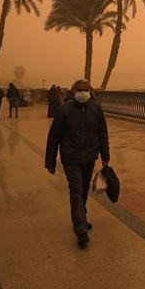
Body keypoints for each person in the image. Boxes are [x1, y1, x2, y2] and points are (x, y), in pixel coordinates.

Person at [45, 79, 110, 248]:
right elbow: (53, 138)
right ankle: (81, 230)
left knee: (83, 191)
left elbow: (102, 133)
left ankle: (82, 217)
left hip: (90, 156)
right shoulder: (64, 110)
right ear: (73, 91)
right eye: (79, 89)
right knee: (75, 190)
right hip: (71, 158)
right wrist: (50, 162)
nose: (83, 92)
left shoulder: (96, 109)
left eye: (85, 89)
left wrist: (105, 155)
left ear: (90, 90)